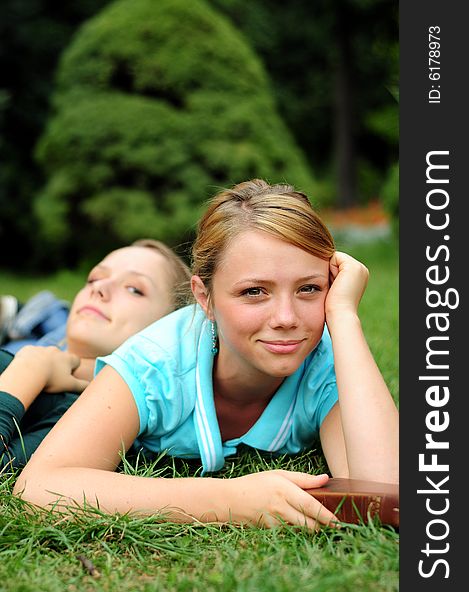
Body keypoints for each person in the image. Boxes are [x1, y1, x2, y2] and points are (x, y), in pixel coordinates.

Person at [14, 179, 399, 530]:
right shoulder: (155, 361)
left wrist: (344, 317)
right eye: (254, 292)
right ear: (205, 298)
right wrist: (229, 499)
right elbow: (40, 487)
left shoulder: (326, 360)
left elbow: (391, 493)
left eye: (309, 289)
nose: (286, 318)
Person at [0, 239, 191, 468]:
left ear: (170, 329)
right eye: (94, 278)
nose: (99, 288)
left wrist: (28, 371)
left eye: (134, 289)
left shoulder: (85, 415)